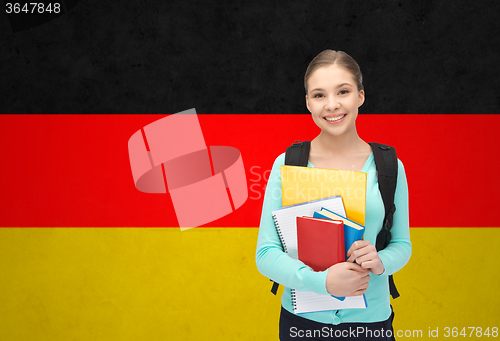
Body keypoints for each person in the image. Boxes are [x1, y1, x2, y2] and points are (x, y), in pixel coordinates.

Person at [255, 50, 411, 340]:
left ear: (360, 96)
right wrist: (320, 281)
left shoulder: (390, 166)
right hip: (301, 323)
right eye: (319, 95)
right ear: (307, 103)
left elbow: (402, 244)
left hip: (371, 322)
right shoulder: (287, 164)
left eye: (343, 91)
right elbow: (265, 254)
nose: (332, 105)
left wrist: (381, 261)